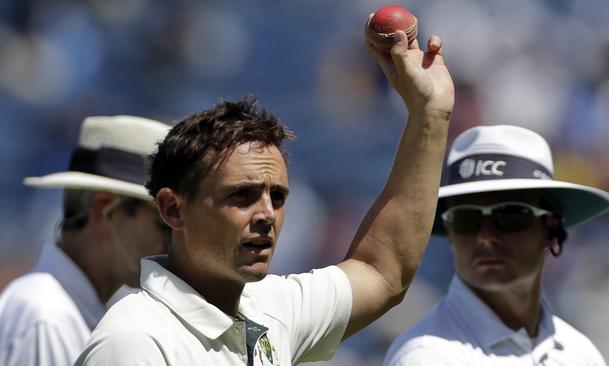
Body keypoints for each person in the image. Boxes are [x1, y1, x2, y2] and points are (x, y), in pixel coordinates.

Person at [74, 23, 455, 366]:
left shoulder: (269, 307)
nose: (266, 215)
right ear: (173, 209)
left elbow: (381, 272)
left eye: (277, 197)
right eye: (242, 195)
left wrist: (429, 114)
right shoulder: (135, 342)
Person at [383, 124, 609, 365]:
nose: (486, 236)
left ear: (550, 227)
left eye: (510, 214)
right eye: (467, 218)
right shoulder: (426, 357)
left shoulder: (579, 353)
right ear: (450, 231)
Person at [0, 115, 171, 366]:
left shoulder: (65, 312)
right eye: (162, 225)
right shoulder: (47, 318)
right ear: (104, 211)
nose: (171, 243)